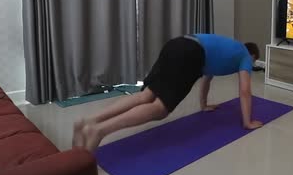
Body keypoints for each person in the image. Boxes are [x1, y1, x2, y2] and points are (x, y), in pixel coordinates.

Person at [72, 34, 263, 152]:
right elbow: (245, 90)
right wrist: (247, 122)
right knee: (160, 109)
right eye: (253, 62)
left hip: (177, 44)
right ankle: (100, 131)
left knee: (146, 95)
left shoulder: (228, 50)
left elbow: (207, 79)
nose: (250, 65)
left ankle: (89, 121)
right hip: (191, 53)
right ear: (252, 56)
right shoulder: (245, 56)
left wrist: (204, 105)